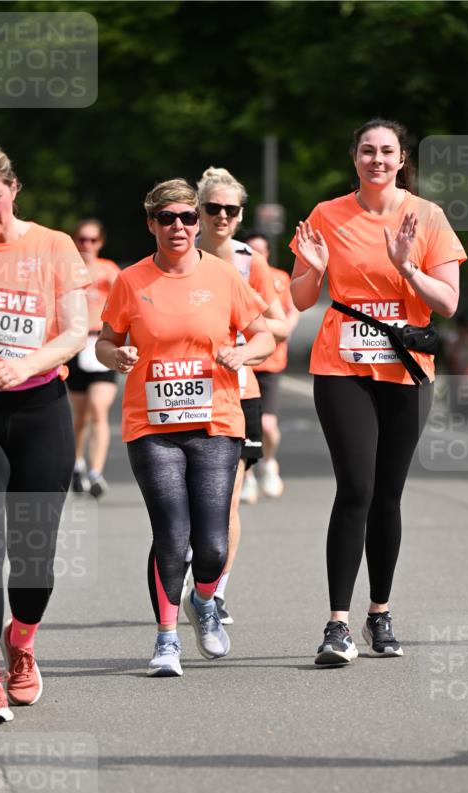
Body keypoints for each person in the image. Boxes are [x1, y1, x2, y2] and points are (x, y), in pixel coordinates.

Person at [290, 118, 466, 666]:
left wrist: (408, 268)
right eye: (367, 151)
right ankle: (337, 625)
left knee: (388, 493)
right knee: (356, 487)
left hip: (407, 368)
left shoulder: (427, 216)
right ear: (354, 158)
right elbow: (299, 299)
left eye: (387, 151)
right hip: (343, 364)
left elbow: (449, 303)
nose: (377, 160)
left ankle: (379, 614)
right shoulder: (327, 215)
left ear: (401, 158)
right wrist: (314, 272)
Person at [96, 179, 274, 676]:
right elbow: (104, 343)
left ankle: (204, 599)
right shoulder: (131, 281)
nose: (179, 226)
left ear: (197, 223)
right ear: (151, 223)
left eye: (188, 218)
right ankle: (166, 639)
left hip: (217, 418)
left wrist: (243, 352)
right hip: (151, 425)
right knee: (172, 533)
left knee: (214, 544)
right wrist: (118, 354)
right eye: (167, 218)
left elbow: (263, 334)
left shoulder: (222, 276)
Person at [0, 143, 89, 726]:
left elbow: (77, 330)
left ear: (15, 191)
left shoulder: (53, 246)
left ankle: (21, 639)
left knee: (34, 557)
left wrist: (28, 364)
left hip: (39, 407)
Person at [191, 167, 288, 623]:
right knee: (189, 499)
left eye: (231, 210)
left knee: (227, 495)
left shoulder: (250, 261)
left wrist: (245, 340)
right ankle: (191, 571)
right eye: (213, 208)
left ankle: (214, 592)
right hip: (182, 389)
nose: (222, 216)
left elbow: (281, 324)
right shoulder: (178, 252)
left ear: (241, 213)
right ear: (199, 211)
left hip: (238, 390)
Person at [244, 230, 301, 501]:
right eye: (251, 250)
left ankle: (268, 463)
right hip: (242, 362)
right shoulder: (236, 276)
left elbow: (291, 310)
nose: (257, 256)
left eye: (261, 250)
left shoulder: (280, 278)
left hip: (270, 363)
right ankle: (247, 477)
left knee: (266, 425)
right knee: (242, 426)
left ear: (268, 253)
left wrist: (285, 330)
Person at [67, 218, 120, 498]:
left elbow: (124, 299)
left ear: (100, 242)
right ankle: (77, 461)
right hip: (75, 345)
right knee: (81, 415)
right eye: (82, 240)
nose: (86, 245)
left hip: (101, 343)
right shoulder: (68, 270)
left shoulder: (109, 270)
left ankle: (96, 472)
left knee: (99, 408)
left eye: (92, 240)